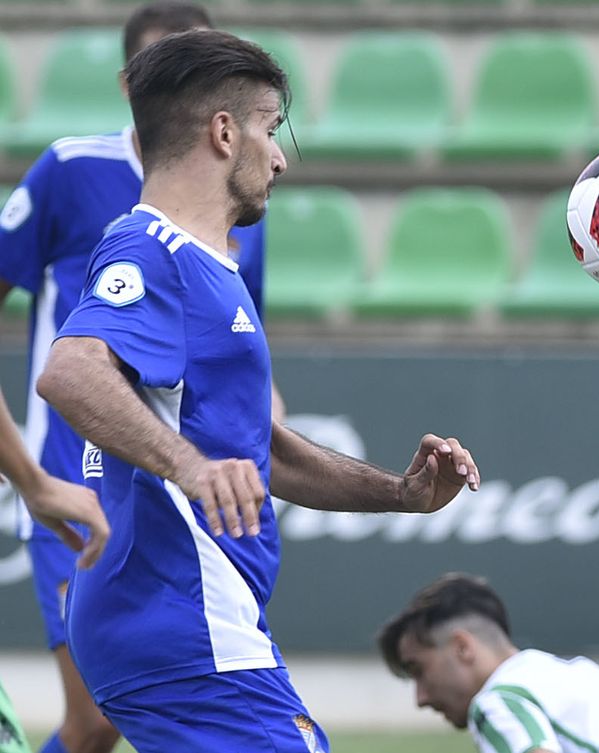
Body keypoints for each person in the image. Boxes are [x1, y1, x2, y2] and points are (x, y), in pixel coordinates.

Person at [35, 30, 481, 752]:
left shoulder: (211, 267)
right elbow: (71, 369)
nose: (279, 156)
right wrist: (190, 466)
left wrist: (400, 493)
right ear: (222, 132)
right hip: (180, 613)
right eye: (272, 131)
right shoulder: (151, 246)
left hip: (184, 615)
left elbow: (263, 448)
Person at [0, 4, 273, 751]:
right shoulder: (71, 169)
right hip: (77, 481)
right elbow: (72, 369)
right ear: (131, 82)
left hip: (180, 506)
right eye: (166, 62)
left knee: (143, 712)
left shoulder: (240, 192)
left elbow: (240, 347)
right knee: (96, 720)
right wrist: (27, 473)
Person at [378, 573, 599, 753]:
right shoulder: (594, 678)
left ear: (462, 647)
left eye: (419, 670)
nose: (421, 698)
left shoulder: (499, 701)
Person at [0, 385, 110, 753]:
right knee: (96, 716)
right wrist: (33, 482)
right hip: (62, 493)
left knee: (114, 709)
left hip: (129, 501)